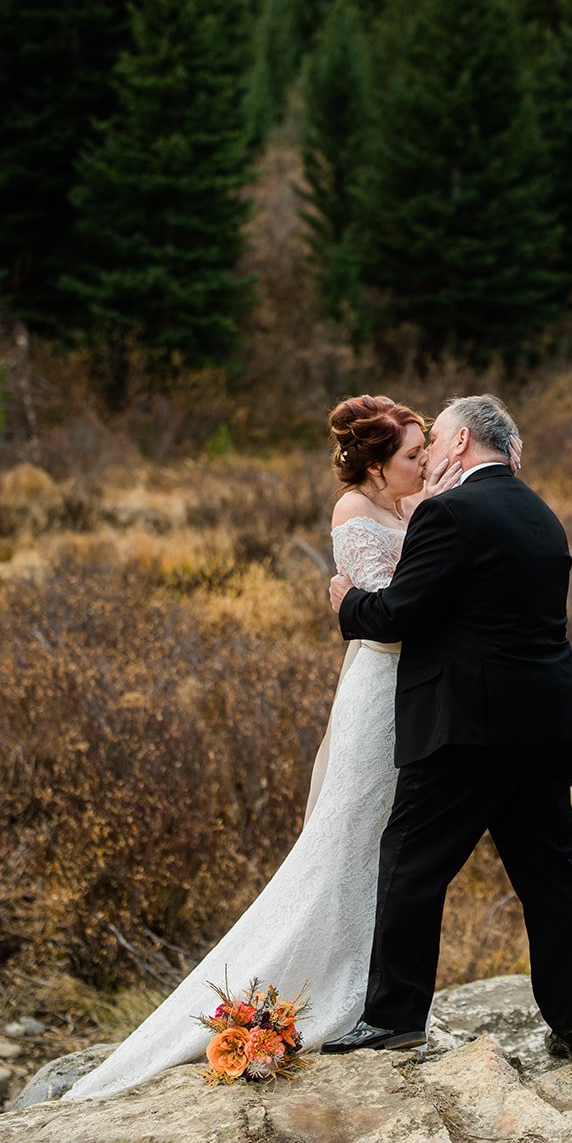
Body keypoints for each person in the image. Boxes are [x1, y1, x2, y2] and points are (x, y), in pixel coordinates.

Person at [63, 394, 461, 1102]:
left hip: (421, 692)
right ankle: (324, 988)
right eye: (411, 454)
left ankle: (379, 991)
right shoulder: (356, 513)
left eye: (426, 447)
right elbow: (388, 620)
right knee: (349, 835)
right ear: (374, 465)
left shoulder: (415, 506)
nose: (424, 460)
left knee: (390, 843)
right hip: (382, 690)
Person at [322, 394, 572, 1068]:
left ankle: (394, 1018)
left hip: (468, 727)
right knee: (551, 877)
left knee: (412, 863)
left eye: (437, 441)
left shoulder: (451, 512)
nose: (429, 459)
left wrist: (349, 603)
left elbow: (400, 613)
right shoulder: (540, 511)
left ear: (459, 445)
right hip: (547, 724)